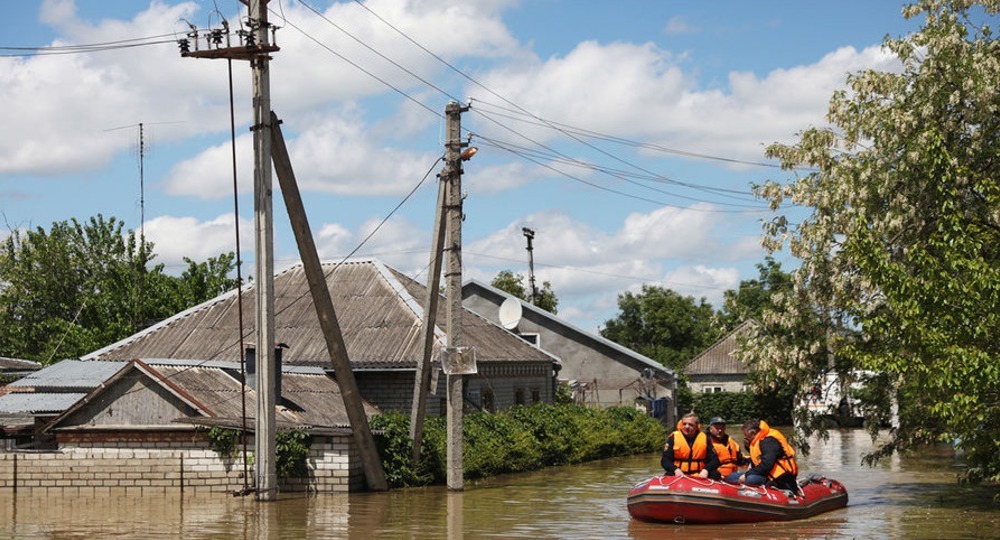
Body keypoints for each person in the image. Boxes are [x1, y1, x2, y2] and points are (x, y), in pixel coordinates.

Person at [728, 419, 799, 491]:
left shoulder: (769, 441)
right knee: (731, 476)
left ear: (753, 433)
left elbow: (767, 464)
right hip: (766, 474)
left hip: (780, 478)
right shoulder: (758, 440)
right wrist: (748, 447)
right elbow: (758, 457)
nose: (745, 438)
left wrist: (746, 475)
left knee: (751, 479)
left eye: (747, 436)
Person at [661, 412, 720, 479]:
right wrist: (675, 469)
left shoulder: (705, 438)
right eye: (684, 424)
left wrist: (706, 470)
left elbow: (715, 460)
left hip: (700, 474)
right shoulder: (673, 438)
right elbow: (665, 460)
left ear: (696, 426)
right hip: (678, 474)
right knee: (668, 474)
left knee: (715, 474)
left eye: (690, 424)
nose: (687, 427)